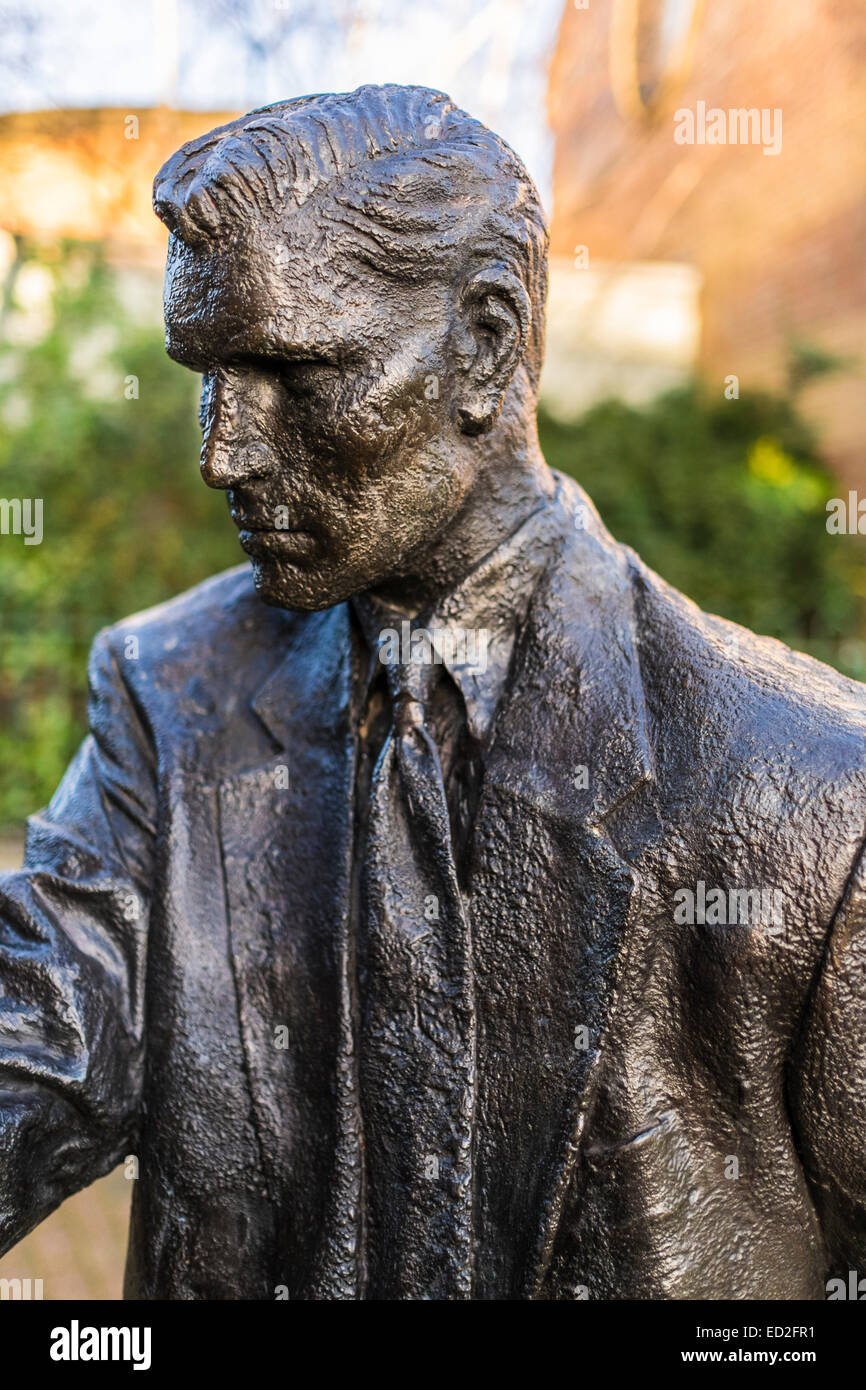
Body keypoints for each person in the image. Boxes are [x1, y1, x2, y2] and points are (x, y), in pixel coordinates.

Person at [2, 84, 865, 1300]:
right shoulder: (168, 698)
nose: (221, 452)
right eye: (206, 372)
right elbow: (31, 1038)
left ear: (483, 343)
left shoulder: (817, 806)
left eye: (291, 374)